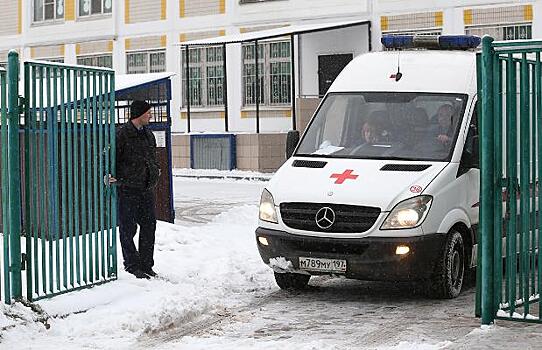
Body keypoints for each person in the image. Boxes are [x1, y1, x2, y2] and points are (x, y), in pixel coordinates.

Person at [109, 100, 160, 279]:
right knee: (128, 228)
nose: (150, 116)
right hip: (128, 188)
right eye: (148, 113)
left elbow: (152, 157)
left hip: (145, 188)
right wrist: (112, 175)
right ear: (138, 114)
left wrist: (154, 172)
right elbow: (110, 157)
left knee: (149, 226)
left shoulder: (148, 134)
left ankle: (147, 264)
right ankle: (132, 265)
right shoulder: (122, 134)